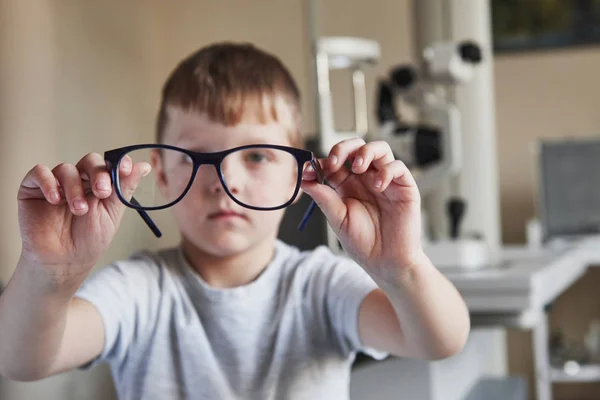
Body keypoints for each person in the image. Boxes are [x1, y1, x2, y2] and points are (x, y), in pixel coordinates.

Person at [0, 42, 470, 399]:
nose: (223, 180)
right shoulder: (140, 289)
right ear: (160, 176)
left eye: (258, 156)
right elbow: (19, 359)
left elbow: (438, 340)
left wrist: (401, 266)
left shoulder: (321, 285)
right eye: (194, 156)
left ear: (300, 175)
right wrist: (48, 274)